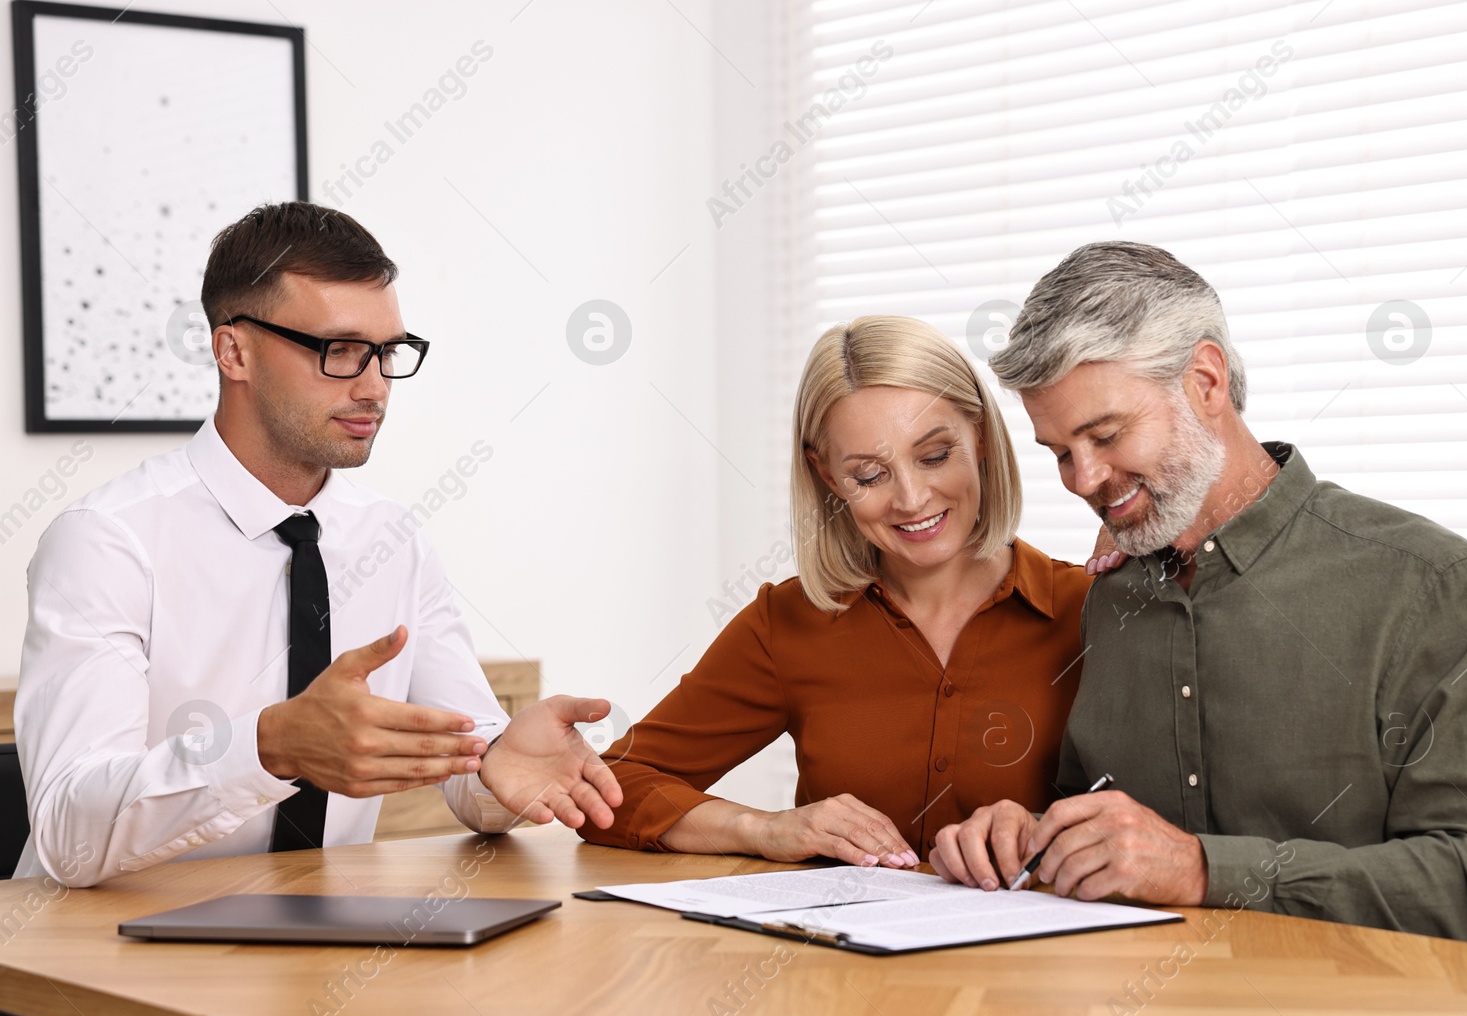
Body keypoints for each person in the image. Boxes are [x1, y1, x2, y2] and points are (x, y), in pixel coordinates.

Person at [930, 241, 1467, 948]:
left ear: (1206, 381)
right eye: (1061, 451)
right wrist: (1031, 837)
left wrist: (1203, 869)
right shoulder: (1111, 596)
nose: (1083, 478)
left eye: (1105, 434)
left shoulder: (1425, 583)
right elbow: (1101, 822)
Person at [13, 202, 620, 888]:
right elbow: (67, 832)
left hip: (317, 946)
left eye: (388, 352)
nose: (374, 387)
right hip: (98, 954)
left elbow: (469, 763)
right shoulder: (108, 540)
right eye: (339, 350)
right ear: (232, 350)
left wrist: (498, 762)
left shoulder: (394, 539)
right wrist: (269, 746)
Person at [578, 316, 1093, 866]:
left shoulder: (1091, 609)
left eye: (935, 455)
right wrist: (763, 829)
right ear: (825, 475)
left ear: (982, 437)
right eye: (870, 475)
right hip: (840, 951)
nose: (913, 498)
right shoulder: (786, 623)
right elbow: (612, 789)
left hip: (1034, 952)